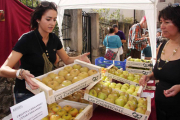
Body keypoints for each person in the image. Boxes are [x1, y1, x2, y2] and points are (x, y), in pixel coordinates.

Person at [0, 1, 90, 104]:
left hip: (47, 90)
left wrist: (79, 58)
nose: (52, 23)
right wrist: (21, 73)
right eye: (48, 19)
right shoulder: (27, 39)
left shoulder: (54, 39)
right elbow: (2, 70)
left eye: (54, 19)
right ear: (38, 19)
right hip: (26, 92)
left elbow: (67, 59)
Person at [139, 4, 180, 120]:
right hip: (161, 108)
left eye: (167, 22)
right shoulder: (162, 46)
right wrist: (150, 76)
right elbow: (161, 71)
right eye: (161, 22)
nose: (162, 26)